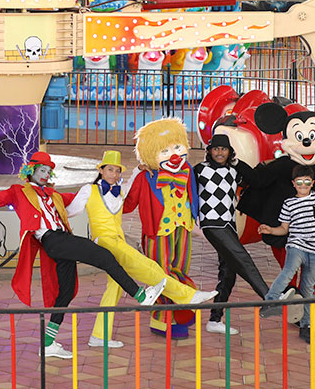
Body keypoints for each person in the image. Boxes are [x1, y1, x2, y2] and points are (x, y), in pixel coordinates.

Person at [0, 151, 165, 359]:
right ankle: (140, 295)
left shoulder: (53, 195)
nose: (45, 175)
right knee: (104, 256)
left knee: (65, 293)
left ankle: (48, 343)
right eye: (41, 170)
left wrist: (127, 176)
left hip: (61, 241)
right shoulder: (18, 192)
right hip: (52, 240)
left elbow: (88, 198)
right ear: (30, 171)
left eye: (48, 171)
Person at [65, 150, 217, 348]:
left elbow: (132, 184)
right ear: (101, 170)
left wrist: (139, 168)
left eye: (117, 171)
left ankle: (99, 336)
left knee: (115, 287)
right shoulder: (88, 190)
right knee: (145, 264)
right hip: (104, 241)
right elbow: (70, 211)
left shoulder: (120, 190)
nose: (114, 174)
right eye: (110, 170)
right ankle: (187, 295)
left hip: (118, 240)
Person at [123, 118, 201, 337]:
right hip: (157, 232)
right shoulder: (145, 177)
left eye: (177, 147)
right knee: (161, 275)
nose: (174, 155)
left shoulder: (187, 170)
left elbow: (192, 195)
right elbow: (128, 204)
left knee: (180, 269)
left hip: (183, 227)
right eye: (165, 151)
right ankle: (161, 320)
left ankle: (179, 310)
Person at [194, 134, 273, 335]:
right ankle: (269, 297)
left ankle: (214, 319)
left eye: (224, 149)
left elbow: (256, 180)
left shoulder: (233, 170)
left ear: (230, 152)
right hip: (211, 223)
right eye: (216, 148)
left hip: (229, 224)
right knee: (242, 258)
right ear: (209, 151)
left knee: (229, 272)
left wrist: (237, 163)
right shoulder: (199, 169)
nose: (220, 152)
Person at [259, 165, 315, 341]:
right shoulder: (289, 203)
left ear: (312, 183)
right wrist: (270, 230)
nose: (303, 185)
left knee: (308, 289)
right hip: (296, 246)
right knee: (288, 271)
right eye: (299, 182)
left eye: (307, 182)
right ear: (294, 183)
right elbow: (284, 229)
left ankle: (306, 326)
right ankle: (270, 301)